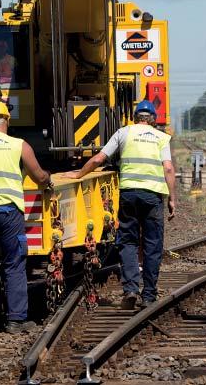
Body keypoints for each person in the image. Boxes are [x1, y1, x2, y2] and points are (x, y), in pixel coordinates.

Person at [66, 100, 176, 310]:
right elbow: (168, 169)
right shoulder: (162, 137)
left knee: (128, 242)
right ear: (153, 120)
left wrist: (79, 174)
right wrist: (172, 198)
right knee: (152, 246)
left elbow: (99, 158)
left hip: (128, 195)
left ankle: (131, 289)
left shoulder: (123, 133)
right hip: (153, 197)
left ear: (135, 117)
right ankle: (149, 296)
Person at [0, 99, 52, 333]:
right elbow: (38, 177)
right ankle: (16, 320)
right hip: (8, 212)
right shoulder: (19, 145)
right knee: (13, 264)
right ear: (7, 119)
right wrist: (48, 179)